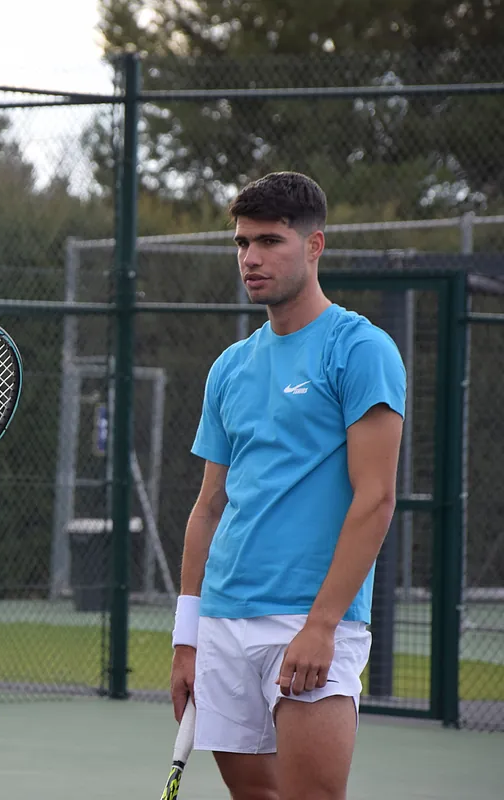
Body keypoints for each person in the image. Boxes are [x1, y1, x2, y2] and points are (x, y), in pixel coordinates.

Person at [169, 172, 406, 800]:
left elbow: (376, 498)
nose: (251, 258)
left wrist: (323, 625)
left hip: (311, 620)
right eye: (242, 243)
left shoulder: (361, 350)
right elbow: (208, 508)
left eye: (270, 241)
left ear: (314, 245)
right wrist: (186, 638)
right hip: (221, 620)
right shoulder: (229, 367)